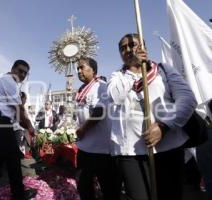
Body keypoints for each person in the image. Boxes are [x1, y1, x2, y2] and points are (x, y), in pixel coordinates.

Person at [107, 33, 197, 200]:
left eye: (132, 45)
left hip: (167, 147)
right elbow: (116, 97)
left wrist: (164, 126)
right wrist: (133, 68)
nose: (128, 49)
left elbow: (188, 100)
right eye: (123, 48)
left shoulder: (163, 69)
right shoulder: (117, 76)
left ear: (143, 48)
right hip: (131, 153)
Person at [0, 60, 36, 200]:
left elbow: (16, 116)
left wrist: (27, 127)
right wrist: (29, 126)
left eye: (25, 73)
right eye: (20, 70)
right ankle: (18, 195)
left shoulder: (8, 82)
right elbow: (19, 109)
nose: (22, 74)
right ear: (12, 69)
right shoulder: (9, 81)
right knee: (13, 159)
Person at [75, 57, 122, 200]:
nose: (79, 71)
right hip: (84, 148)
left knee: (109, 189)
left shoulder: (102, 86)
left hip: (102, 150)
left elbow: (99, 112)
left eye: (82, 67)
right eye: (77, 68)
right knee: (84, 186)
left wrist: (83, 130)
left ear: (93, 70)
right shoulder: (80, 90)